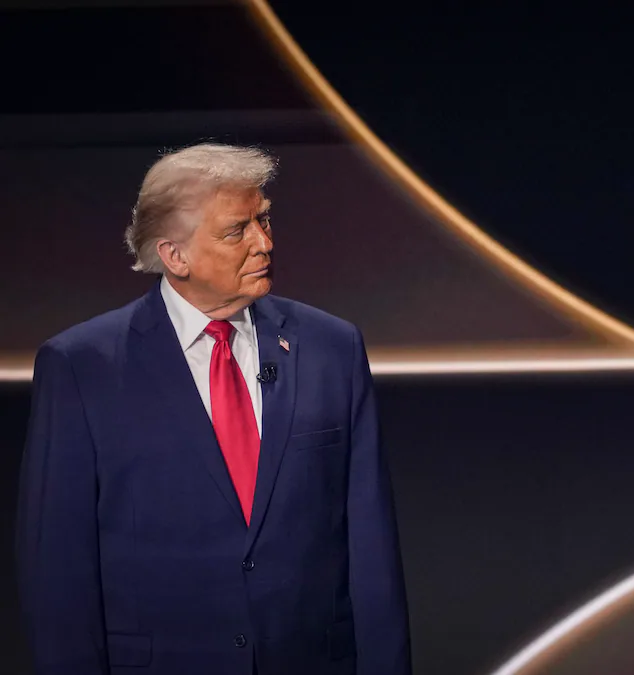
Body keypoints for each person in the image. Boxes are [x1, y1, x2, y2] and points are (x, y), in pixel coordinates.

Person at [16, 143, 411, 675]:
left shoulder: (331, 348)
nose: (264, 243)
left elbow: (371, 543)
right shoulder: (82, 367)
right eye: (236, 231)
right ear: (174, 256)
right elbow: (58, 569)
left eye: (263, 220)